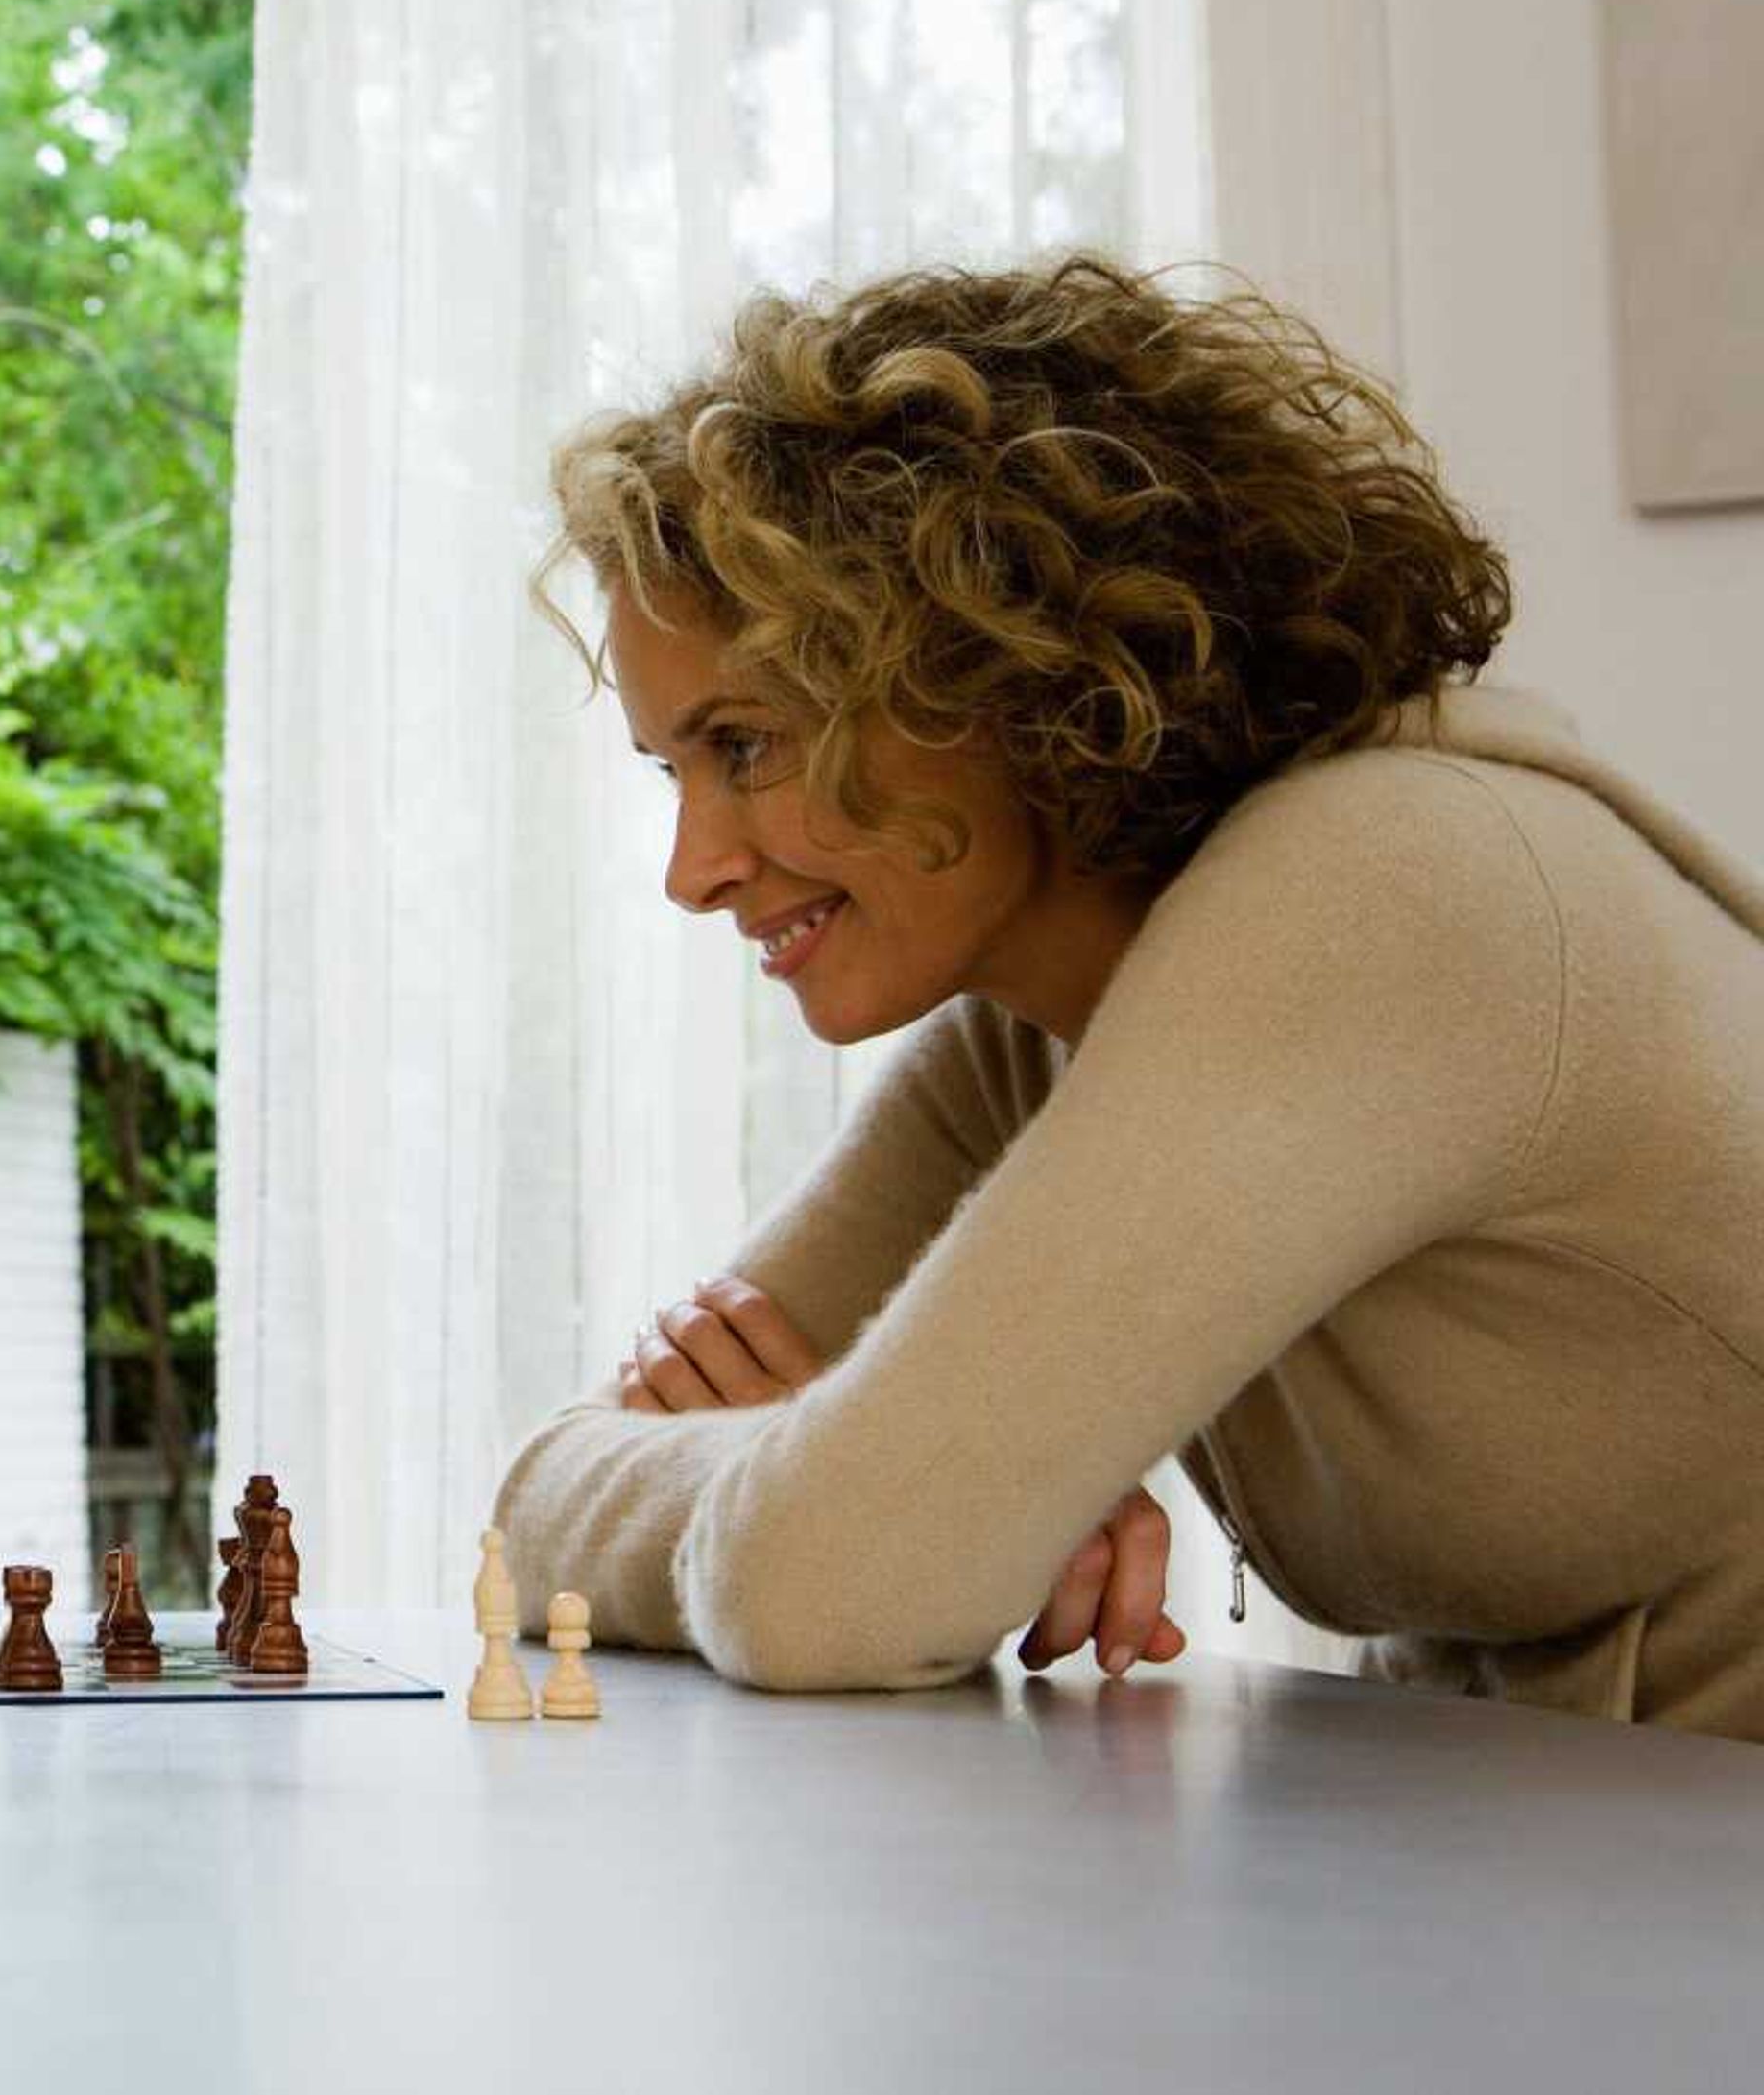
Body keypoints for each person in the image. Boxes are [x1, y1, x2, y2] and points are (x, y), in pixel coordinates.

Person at [494, 257, 1764, 1739]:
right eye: (671, 770)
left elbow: (824, 1579)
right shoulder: (1038, 1023)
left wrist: (876, 1485)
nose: (692, 869)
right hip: (1524, 1855)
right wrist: (871, 1470)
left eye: (746, 744)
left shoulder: (1381, 896)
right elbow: (542, 1512)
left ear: (990, 666)